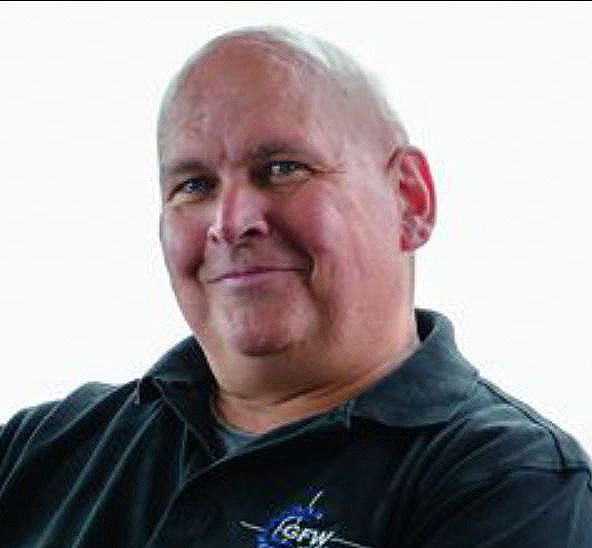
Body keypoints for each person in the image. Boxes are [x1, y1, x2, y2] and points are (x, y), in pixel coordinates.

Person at [0, 26, 590, 548]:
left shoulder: (513, 484)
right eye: (195, 184)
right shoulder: (38, 451)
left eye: (282, 169)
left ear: (410, 200)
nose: (231, 222)